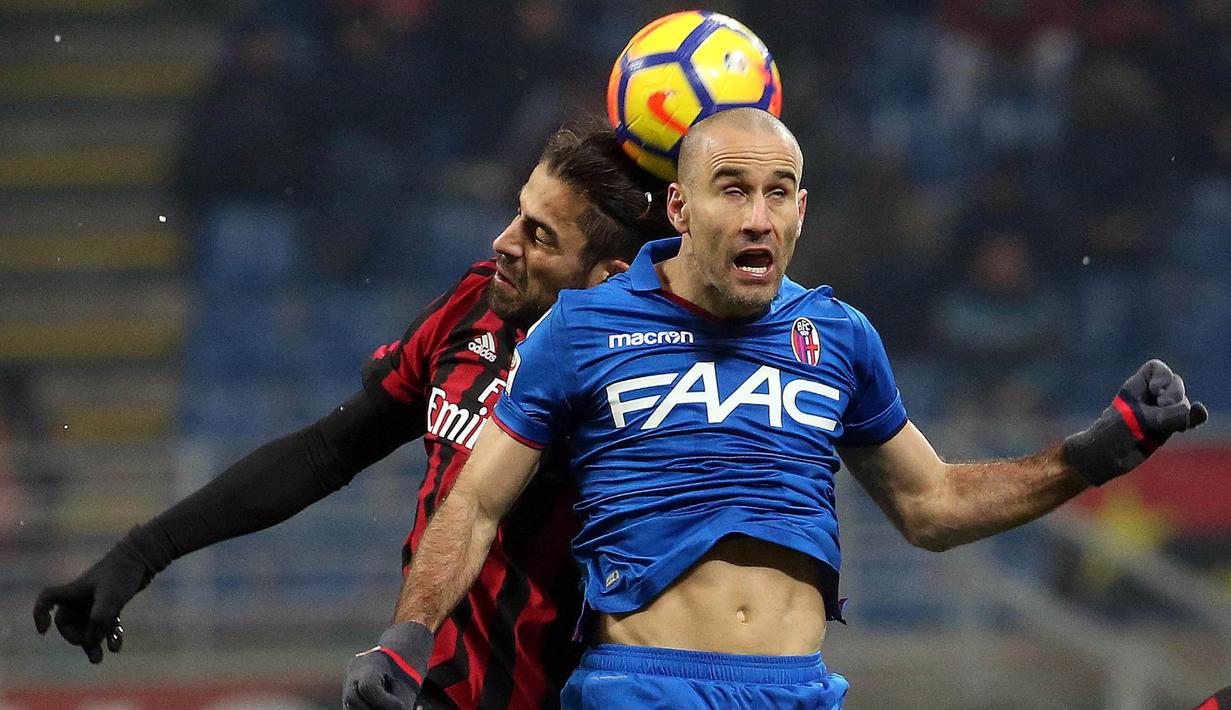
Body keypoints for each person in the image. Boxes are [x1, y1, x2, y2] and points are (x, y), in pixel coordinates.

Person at [343, 108, 1208, 710]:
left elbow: (930, 505)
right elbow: (478, 500)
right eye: (730, 189)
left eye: (777, 191)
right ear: (679, 208)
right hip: (642, 687)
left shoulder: (837, 336)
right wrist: (407, 635)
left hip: (798, 692)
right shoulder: (583, 325)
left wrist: (1095, 452)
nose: (757, 214)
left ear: (800, 210)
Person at [33, 124, 674, 710]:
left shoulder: (645, 393)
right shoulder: (470, 310)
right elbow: (327, 451)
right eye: (518, 212)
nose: (503, 242)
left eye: (540, 236)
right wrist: (141, 552)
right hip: (425, 686)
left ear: (606, 278)